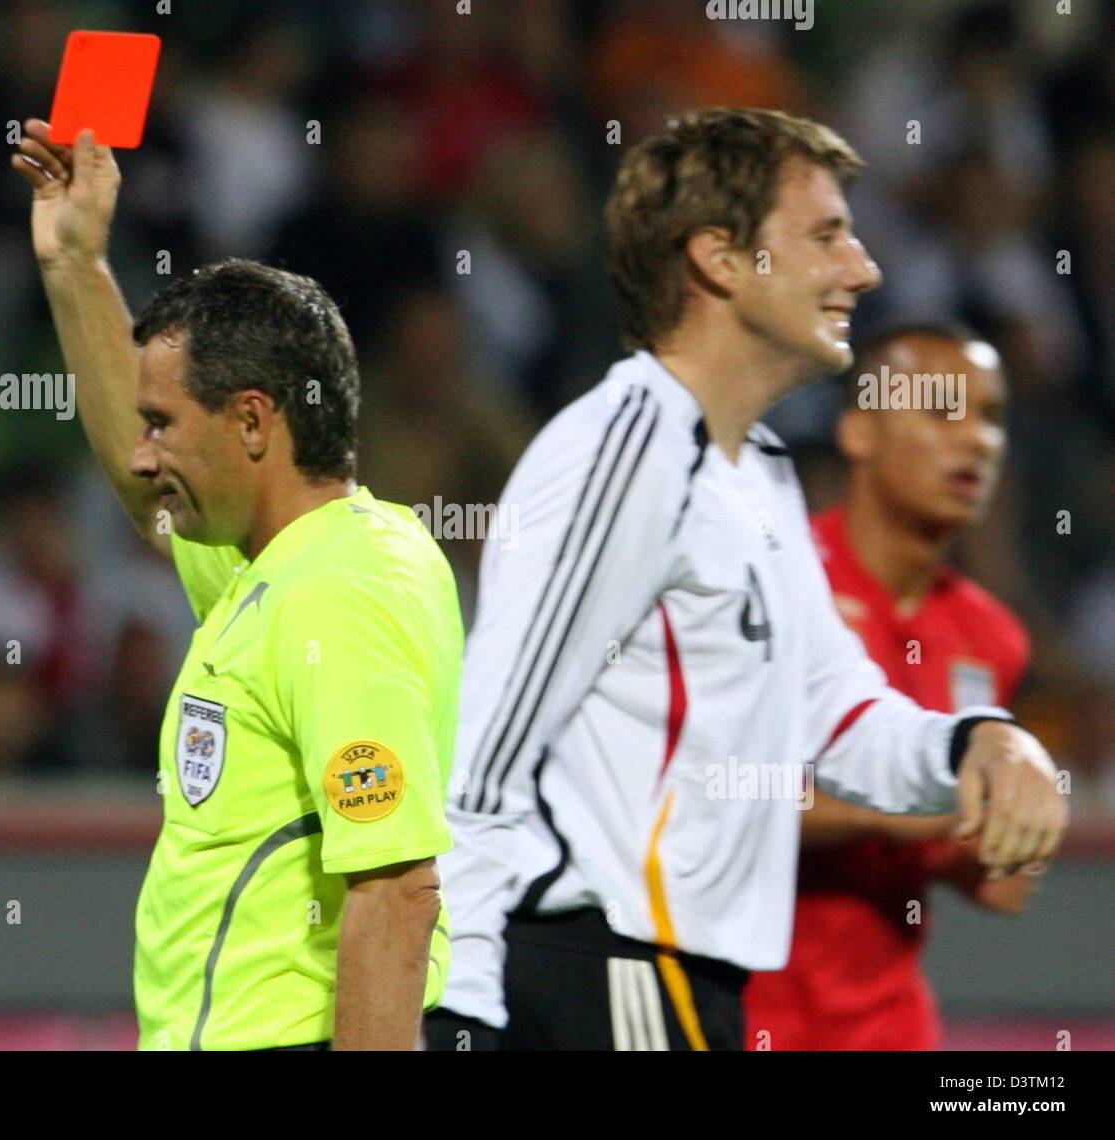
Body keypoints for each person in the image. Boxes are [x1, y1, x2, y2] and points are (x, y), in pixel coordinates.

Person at [426, 109, 1066, 1052]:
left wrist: (978, 742)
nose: (863, 268)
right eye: (825, 235)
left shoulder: (756, 470)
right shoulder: (627, 452)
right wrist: (459, 1016)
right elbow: (483, 759)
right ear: (721, 260)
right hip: (606, 976)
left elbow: (836, 713)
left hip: (687, 989)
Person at [12, 120, 463, 1051]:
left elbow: (395, 890)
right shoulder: (279, 563)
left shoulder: (339, 594)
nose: (143, 453)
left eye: (164, 424)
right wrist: (75, 265)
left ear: (254, 421)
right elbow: (152, 507)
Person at [744, 325, 1040, 1050]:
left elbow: (942, 851)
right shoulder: (773, 582)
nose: (976, 441)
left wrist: (987, 855)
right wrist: (897, 814)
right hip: (747, 1013)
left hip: (889, 1026)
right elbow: (713, 788)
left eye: (992, 417)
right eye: (943, 412)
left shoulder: (993, 637)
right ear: (859, 432)